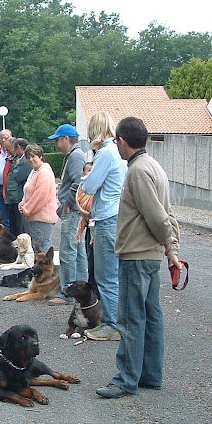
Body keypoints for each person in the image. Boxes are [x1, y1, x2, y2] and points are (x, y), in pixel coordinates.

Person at [96, 116, 182, 399]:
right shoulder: (154, 166)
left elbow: (157, 217)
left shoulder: (137, 171)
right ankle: (150, 374)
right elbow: (168, 213)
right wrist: (171, 251)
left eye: (116, 141)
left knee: (131, 318)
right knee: (152, 316)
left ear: (122, 141)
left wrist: (169, 244)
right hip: (150, 256)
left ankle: (125, 380)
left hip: (136, 254)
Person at [81, 111, 127, 342]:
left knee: (106, 276)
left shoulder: (105, 154)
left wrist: (84, 181)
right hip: (116, 215)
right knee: (115, 274)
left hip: (106, 217)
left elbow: (89, 186)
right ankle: (118, 320)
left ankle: (112, 325)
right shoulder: (117, 153)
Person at [47, 124, 88, 306]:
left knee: (68, 252)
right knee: (78, 252)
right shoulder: (76, 155)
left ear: (66, 139)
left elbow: (78, 183)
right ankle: (81, 291)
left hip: (72, 211)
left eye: (57, 140)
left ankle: (69, 293)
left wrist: (68, 204)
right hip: (75, 210)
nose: (56, 144)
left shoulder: (76, 156)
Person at [18, 144, 57, 253]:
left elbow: (40, 196)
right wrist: (22, 203)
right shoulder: (35, 171)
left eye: (33, 156)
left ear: (40, 156)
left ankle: (46, 266)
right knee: (38, 246)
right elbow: (28, 192)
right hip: (35, 216)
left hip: (42, 217)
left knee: (42, 248)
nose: (31, 159)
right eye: (28, 157)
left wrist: (27, 209)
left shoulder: (44, 173)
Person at [75, 162, 98, 291]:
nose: (89, 173)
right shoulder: (82, 189)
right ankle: (91, 288)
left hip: (97, 227)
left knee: (98, 262)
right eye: (87, 170)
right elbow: (81, 205)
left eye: (92, 170)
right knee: (90, 260)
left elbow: (89, 208)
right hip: (88, 226)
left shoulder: (97, 188)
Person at [5, 137, 31, 238]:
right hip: (14, 196)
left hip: (19, 196)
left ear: (19, 147)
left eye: (14, 148)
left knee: (21, 226)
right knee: (14, 226)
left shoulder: (25, 160)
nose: (13, 151)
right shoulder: (17, 159)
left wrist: (13, 172)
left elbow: (18, 176)